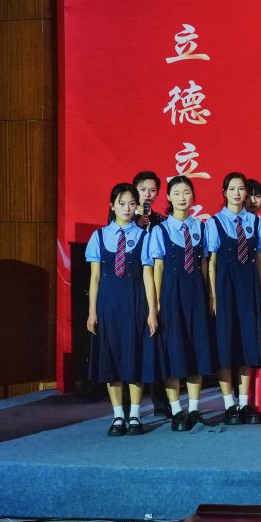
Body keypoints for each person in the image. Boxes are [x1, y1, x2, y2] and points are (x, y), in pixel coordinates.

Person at [87, 183, 157, 436]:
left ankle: (135, 415)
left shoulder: (144, 236)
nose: (127, 208)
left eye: (131, 204)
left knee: (135, 357)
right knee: (111, 359)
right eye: (122, 203)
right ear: (112, 205)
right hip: (108, 304)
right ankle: (118, 416)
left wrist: (152, 311)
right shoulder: (99, 236)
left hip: (136, 302)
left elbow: (148, 276)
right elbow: (95, 277)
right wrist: (92, 312)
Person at [149, 176, 216, 431]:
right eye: (176, 193)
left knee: (197, 350)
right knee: (174, 351)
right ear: (168, 197)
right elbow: (157, 268)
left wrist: (209, 296)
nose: (182, 197)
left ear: (193, 196)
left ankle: (195, 409)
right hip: (171, 293)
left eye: (186, 192)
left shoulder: (202, 227)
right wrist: (156, 303)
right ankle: (177, 411)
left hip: (196, 293)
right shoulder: (161, 230)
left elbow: (204, 264)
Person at [205, 173, 261, 425]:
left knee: (247, 343)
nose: (237, 193)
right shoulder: (214, 222)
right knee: (225, 344)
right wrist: (212, 295)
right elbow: (210, 262)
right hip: (224, 287)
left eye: (241, 189)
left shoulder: (255, 222)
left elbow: (260, 262)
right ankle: (228, 404)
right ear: (224, 192)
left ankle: (244, 402)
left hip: (248, 287)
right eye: (232, 189)